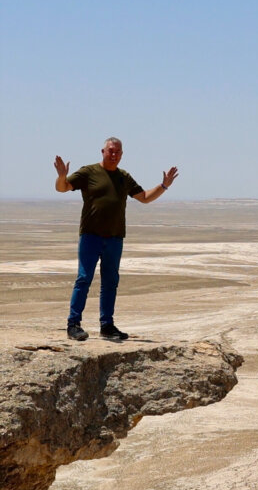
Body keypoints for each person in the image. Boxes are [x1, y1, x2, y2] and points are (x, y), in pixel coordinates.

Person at [54, 137, 178, 341]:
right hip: (91, 236)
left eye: (118, 152)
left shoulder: (124, 177)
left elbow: (144, 197)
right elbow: (62, 187)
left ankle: (107, 326)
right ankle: (73, 324)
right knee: (84, 278)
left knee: (110, 282)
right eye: (110, 151)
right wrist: (61, 176)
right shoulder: (89, 172)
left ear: (121, 155)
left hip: (114, 238)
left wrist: (164, 186)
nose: (114, 154)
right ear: (102, 151)